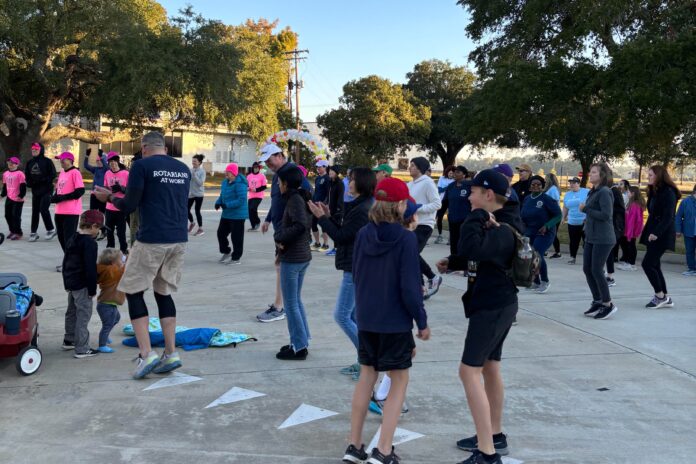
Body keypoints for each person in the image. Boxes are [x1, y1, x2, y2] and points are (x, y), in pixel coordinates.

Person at [342, 177, 430, 464]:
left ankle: (354, 446)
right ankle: (384, 449)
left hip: (367, 318)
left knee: (367, 376)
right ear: (401, 205)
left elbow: (356, 273)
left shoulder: (365, 234)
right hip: (394, 322)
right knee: (399, 379)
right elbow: (409, 287)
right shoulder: (406, 239)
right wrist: (421, 321)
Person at [436, 169, 520, 464]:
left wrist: (476, 217)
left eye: (473, 192)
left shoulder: (502, 225)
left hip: (492, 307)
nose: (468, 196)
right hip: (496, 303)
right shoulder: (498, 223)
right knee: (489, 367)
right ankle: (494, 435)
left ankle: (487, 453)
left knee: (468, 371)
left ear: (487, 195)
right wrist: (455, 262)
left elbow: (471, 244)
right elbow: (481, 255)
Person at [93, 131, 191, 379]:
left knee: (134, 291)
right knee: (163, 292)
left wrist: (109, 197)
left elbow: (129, 204)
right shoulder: (182, 169)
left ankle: (146, 354)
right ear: (164, 149)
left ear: (145, 148)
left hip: (151, 239)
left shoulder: (142, 166)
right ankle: (171, 353)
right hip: (178, 239)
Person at [308, 167, 375, 378]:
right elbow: (345, 230)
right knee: (355, 316)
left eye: (352, 179)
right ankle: (363, 360)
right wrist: (329, 216)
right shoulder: (359, 205)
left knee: (342, 316)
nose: (348, 182)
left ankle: (368, 361)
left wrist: (321, 219)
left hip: (356, 268)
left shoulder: (364, 208)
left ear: (361, 183)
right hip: (355, 265)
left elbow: (343, 236)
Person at [257, 144, 313, 322]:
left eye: (270, 160)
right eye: (265, 162)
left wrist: (292, 232)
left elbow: (307, 198)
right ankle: (282, 304)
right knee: (279, 266)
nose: (268, 164)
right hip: (281, 230)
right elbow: (276, 202)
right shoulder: (278, 176)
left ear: (280, 155)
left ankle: (281, 307)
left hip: (288, 232)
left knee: (283, 268)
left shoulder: (292, 173)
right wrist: (267, 220)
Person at [274, 165, 313, 360]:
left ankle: (299, 347)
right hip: (300, 255)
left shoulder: (295, 199)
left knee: (291, 304)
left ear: (286, 183)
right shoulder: (298, 197)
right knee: (295, 301)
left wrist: (281, 238)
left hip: (294, 257)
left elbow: (301, 225)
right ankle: (301, 340)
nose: (277, 185)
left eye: (279, 182)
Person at [61, 209, 103, 358]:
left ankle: (69, 339)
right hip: (83, 284)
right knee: (83, 315)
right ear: (92, 226)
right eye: (99, 228)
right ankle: (82, 348)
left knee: (71, 312)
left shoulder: (73, 238)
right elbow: (90, 268)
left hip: (71, 282)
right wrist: (92, 289)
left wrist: (66, 282)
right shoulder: (90, 244)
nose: (99, 232)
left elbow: (66, 262)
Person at [580, 163, 618, 320]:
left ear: (602, 175)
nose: (590, 174)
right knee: (587, 269)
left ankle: (608, 304)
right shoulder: (593, 191)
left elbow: (606, 215)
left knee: (596, 270)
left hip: (603, 238)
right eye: (590, 171)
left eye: (594, 172)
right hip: (591, 237)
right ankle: (598, 301)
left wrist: (586, 210)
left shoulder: (604, 192)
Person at [640, 165, 680, 308]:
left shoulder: (668, 193)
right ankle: (664, 296)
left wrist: (656, 233)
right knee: (655, 264)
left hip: (662, 234)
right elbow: (653, 213)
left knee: (647, 264)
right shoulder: (654, 191)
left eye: (651, 175)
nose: (648, 177)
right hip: (653, 232)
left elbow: (668, 217)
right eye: (648, 175)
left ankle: (660, 296)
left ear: (659, 176)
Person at [407, 156, 443, 299]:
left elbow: (437, 204)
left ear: (421, 168)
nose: (410, 167)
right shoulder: (410, 184)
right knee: (409, 255)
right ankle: (421, 288)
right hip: (410, 225)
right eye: (410, 165)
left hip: (424, 224)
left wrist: (418, 208)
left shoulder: (428, 183)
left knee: (411, 253)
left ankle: (432, 277)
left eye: (413, 165)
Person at [520, 175, 562, 293]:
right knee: (530, 256)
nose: (536, 186)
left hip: (545, 232)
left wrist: (547, 226)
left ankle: (545, 281)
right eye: (533, 184)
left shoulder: (546, 199)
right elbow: (523, 215)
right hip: (530, 231)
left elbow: (558, 215)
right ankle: (535, 281)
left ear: (542, 186)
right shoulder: (527, 199)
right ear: (530, 187)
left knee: (537, 254)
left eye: (539, 184)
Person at [52, 152, 85, 271]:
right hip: (59, 211)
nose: (61, 161)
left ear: (70, 160)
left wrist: (63, 197)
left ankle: (72, 263)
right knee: (61, 238)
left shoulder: (75, 172)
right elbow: (59, 189)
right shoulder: (62, 172)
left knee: (69, 239)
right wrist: (55, 197)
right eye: (60, 159)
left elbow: (80, 191)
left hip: (71, 212)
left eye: (63, 159)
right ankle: (69, 261)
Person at [215, 163, 248, 264]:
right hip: (227, 214)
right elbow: (222, 194)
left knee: (236, 237)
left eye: (228, 172)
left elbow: (241, 200)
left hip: (238, 215)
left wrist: (227, 205)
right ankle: (226, 251)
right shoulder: (225, 182)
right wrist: (218, 202)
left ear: (234, 173)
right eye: (226, 172)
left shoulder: (240, 183)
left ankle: (236, 258)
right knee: (221, 233)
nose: (226, 174)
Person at [24, 142, 57, 242]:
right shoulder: (29, 163)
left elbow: (53, 174)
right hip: (36, 191)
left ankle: (50, 229)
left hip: (47, 190)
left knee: (43, 209)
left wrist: (43, 180)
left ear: (41, 150)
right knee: (35, 211)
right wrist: (29, 183)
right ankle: (33, 233)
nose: (34, 150)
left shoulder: (47, 161)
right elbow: (27, 176)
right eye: (32, 149)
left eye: (36, 149)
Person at [96, 248, 125, 353]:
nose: (123, 262)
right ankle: (102, 345)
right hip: (106, 305)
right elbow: (123, 271)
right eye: (121, 260)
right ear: (113, 263)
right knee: (107, 325)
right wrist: (130, 259)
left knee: (116, 318)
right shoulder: (111, 271)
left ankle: (106, 335)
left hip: (107, 304)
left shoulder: (108, 269)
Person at [103, 152, 129, 254]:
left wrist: (121, 188)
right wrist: (107, 191)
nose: (112, 163)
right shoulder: (107, 173)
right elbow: (105, 188)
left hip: (121, 207)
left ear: (118, 161)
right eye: (110, 161)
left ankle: (123, 250)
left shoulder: (126, 174)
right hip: (109, 207)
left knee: (121, 232)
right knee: (109, 231)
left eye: (114, 161)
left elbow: (131, 190)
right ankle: (110, 250)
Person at [445, 165, 473, 256]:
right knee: (453, 241)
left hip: (464, 220)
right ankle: (453, 261)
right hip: (453, 219)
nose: (455, 174)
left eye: (458, 172)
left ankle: (463, 263)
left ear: (464, 175)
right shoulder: (450, 186)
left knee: (463, 242)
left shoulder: (469, 186)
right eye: (454, 172)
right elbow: (445, 201)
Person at [562, 177, 589, 265]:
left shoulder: (586, 192)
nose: (572, 184)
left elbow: (591, 203)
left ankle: (588, 258)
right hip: (572, 221)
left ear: (579, 183)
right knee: (573, 241)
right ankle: (572, 257)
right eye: (571, 183)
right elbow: (565, 207)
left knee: (587, 241)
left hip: (584, 221)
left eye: (574, 182)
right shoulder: (567, 194)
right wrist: (563, 217)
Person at [618, 186, 645, 272]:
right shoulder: (631, 203)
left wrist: (629, 233)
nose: (627, 193)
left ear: (633, 194)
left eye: (628, 192)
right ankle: (627, 261)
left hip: (631, 230)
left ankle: (631, 264)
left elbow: (633, 220)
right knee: (627, 245)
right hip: (629, 229)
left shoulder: (634, 205)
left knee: (631, 246)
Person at [604, 183, 626, 287]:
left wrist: (608, 209)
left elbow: (621, 209)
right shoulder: (600, 190)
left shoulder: (613, 191)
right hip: (604, 226)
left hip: (613, 226)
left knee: (609, 252)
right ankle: (603, 273)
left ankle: (610, 277)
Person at [2, 157, 27, 240]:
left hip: (18, 199)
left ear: (17, 164)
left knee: (16, 216)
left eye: (12, 163)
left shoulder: (20, 174)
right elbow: (5, 186)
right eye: (9, 163)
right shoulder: (5, 174)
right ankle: (12, 231)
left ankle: (18, 233)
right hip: (9, 198)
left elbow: (23, 186)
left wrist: (20, 196)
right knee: (7, 215)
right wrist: (2, 195)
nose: (10, 164)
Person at [675, 184, 696, 276]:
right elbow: (679, 216)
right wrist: (678, 230)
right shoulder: (686, 201)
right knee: (689, 251)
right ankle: (692, 269)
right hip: (689, 231)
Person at [324, 165, 345, 256]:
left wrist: (339, 210)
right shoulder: (330, 182)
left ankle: (337, 249)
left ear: (337, 173)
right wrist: (325, 203)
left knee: (336, 229)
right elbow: (328, 196)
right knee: (332, 229)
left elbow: (340, 197)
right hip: (330, 209)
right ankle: (336, 248)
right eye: (329, 171)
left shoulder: (340, 183)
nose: (330, 173)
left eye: (332, 171)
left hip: (337, 210)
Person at [311, 159, 330, 251]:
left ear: (325, 167)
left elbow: (328, 193)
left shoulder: (327, 178)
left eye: (320, 166)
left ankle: (325, 244)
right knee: (313, 224)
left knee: (323, 225)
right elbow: (316, 191)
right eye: (317, 166)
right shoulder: (318, 178)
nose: (318, 168)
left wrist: (325, 204)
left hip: (322, 205)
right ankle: (317, 243)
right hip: (315, 203)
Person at [83, 148, 108, 213]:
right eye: (96, 161)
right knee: (92, 212)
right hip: (94, 193)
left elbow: (105, 165)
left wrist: (101, 157)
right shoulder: (95, 169)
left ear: (103, 161)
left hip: (103, 194)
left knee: (102, 212)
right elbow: (86, 166)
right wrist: (87, 156)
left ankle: (102, 223)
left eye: (99, 160)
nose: (97, 162)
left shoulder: (106, 170)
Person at [544, 171, 563, 259]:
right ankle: (544, 250)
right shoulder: (550, 189)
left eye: (546, 178)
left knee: (552, 233)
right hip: (549, 215)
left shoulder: (553, 189)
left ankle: (558, 252)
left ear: (549, 180)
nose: (544, 180)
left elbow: (555, 202)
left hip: (554, 216)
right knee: (547, 233)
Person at [435, 166, 455, 244]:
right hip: (442, 200)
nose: (451, 175)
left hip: (451, 201)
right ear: (447, 172)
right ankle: (440, 235)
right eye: (450, 173)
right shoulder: (442, 178)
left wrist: (446, 188)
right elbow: (440, 190)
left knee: (451, 218)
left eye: (453, 173)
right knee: (439, 217)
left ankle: (451, 238)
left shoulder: (455, 180)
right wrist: (449, 187)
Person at [188, 154, 206, 236]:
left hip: (199, 194)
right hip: (191, 193)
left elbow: (200, 183)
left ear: (199, 162)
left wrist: (194, 175)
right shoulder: (190, 170)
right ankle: (192, 223)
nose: (193, 163)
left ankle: (201, 229)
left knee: (197, 211)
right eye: (192, 161)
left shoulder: (202, 171)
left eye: (195, 161)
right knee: (186, 209)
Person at [246, 161, 267, 231]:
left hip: (259, 196)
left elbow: (264, 186)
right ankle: (253, 226)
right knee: (249, 211)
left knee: (253, 208)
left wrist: (256, 190)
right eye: (254, 168)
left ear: (259, 168)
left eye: (257, 168)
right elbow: (246, 185)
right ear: (252, 168)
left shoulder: (262, 176)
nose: (256, 169)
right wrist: (247, 188)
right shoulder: (249, 176)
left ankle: (257, 221)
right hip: (251, 196)